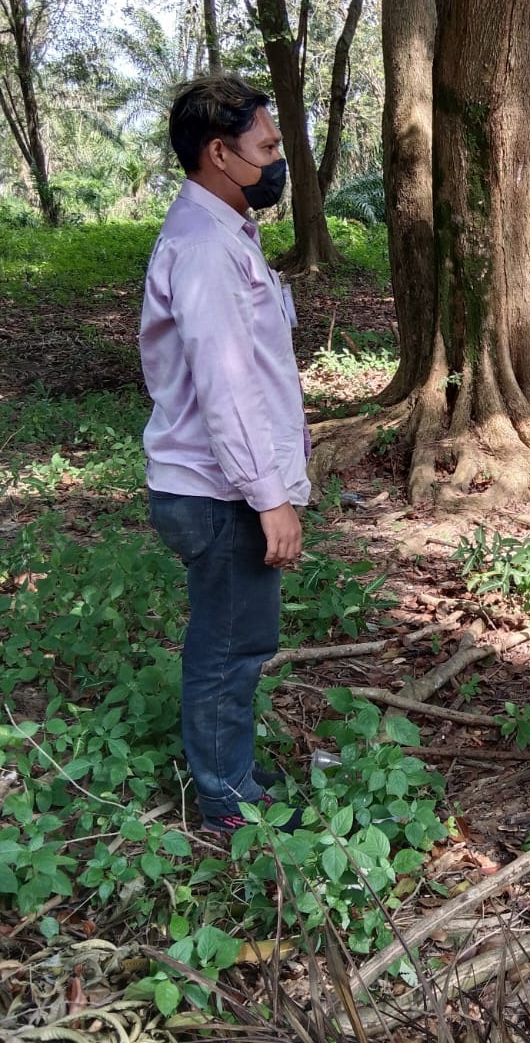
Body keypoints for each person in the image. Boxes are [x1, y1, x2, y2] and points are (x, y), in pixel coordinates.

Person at [140, 74, 309, 835]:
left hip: (219, 483)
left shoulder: (223, 234)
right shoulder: (205, 248)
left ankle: (230, 769)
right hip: (218, 490)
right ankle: (225, 800)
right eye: (267, 147)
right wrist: (267, 494)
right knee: (230, 645)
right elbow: (226, 385)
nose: (278, 161)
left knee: (240, 636)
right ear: (219, 152)